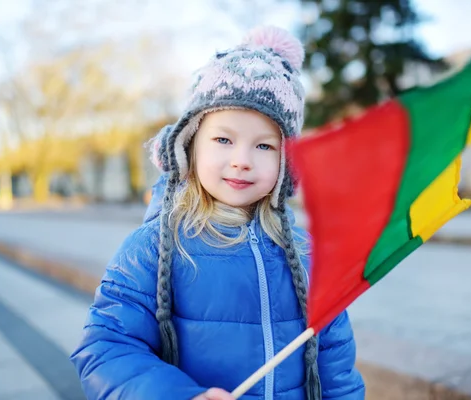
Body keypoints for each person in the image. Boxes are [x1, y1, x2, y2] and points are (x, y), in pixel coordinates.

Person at [70, 25, 365, 400]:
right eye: (223, 139)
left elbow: (335, 365)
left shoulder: (309, 257)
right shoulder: (156, 246)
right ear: (190, 146)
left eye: (264, 146)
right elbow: (106, 346)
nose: (241, 161)